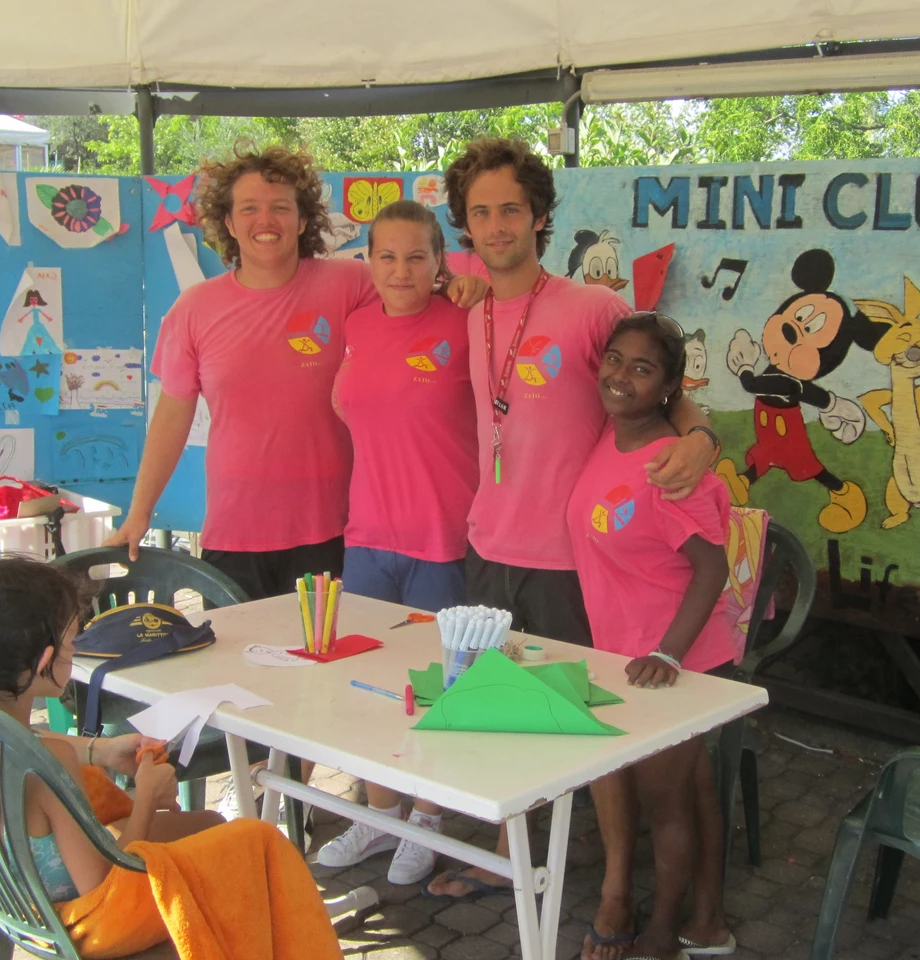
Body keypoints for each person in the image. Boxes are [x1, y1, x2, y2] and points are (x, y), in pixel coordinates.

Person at [424, 137, 721, 918]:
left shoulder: (592, 308)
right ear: (464, 226)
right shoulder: (466, 305)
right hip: (487, 542)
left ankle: (608, 876)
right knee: (501, 710)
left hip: (567, 559)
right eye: (480, 213)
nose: (496, 226)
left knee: (582, 725)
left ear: (540, 217)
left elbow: (663, 383)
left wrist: (702, 437)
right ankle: (507, 851)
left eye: (510, 210)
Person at [107, 144, 482, 596]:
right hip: (235, 534)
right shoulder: (194, 310)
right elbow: (171, 418)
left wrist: (461, 286)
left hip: (332, 533)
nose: (265, 221)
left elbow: (410, 284)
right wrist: (139, 513)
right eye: (249, 208)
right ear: (228, 223)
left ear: (303, 220)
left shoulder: (349, 283)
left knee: (331, 663)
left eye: (280, 208)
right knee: (238, 666)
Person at [0, 555, 341, 958]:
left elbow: (33, 738)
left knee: (211, 823)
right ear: (44, 659)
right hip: (85, 924)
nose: (74, 650)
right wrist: (146, 795)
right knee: (259, 841)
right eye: (72, 641)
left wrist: (101, 749)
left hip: (23, 897)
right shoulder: (48, 765)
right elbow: (107, 888)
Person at [316, 200, 477, 884]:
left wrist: (473, 279)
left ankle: (428, 821)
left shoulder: (470, 322)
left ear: (440, 263)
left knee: (437, 688)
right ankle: (378, 816)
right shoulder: (354, 326)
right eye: (388, 255)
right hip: (368, 537)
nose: (402, 270)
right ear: (369, 262)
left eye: (418, 256)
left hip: (443, 538)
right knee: (368, 685)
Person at [566, 314, 736, 960]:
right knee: (691, 790)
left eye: (642, 369)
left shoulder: (669, 465)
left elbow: (712, 566)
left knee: (665, 801)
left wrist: (668, 652)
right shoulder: (611, 439)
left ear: (670, 389)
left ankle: (665, 930)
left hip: (673, 657)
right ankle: (709, 921)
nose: (620, 377)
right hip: (626, 652)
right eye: (614, 360)